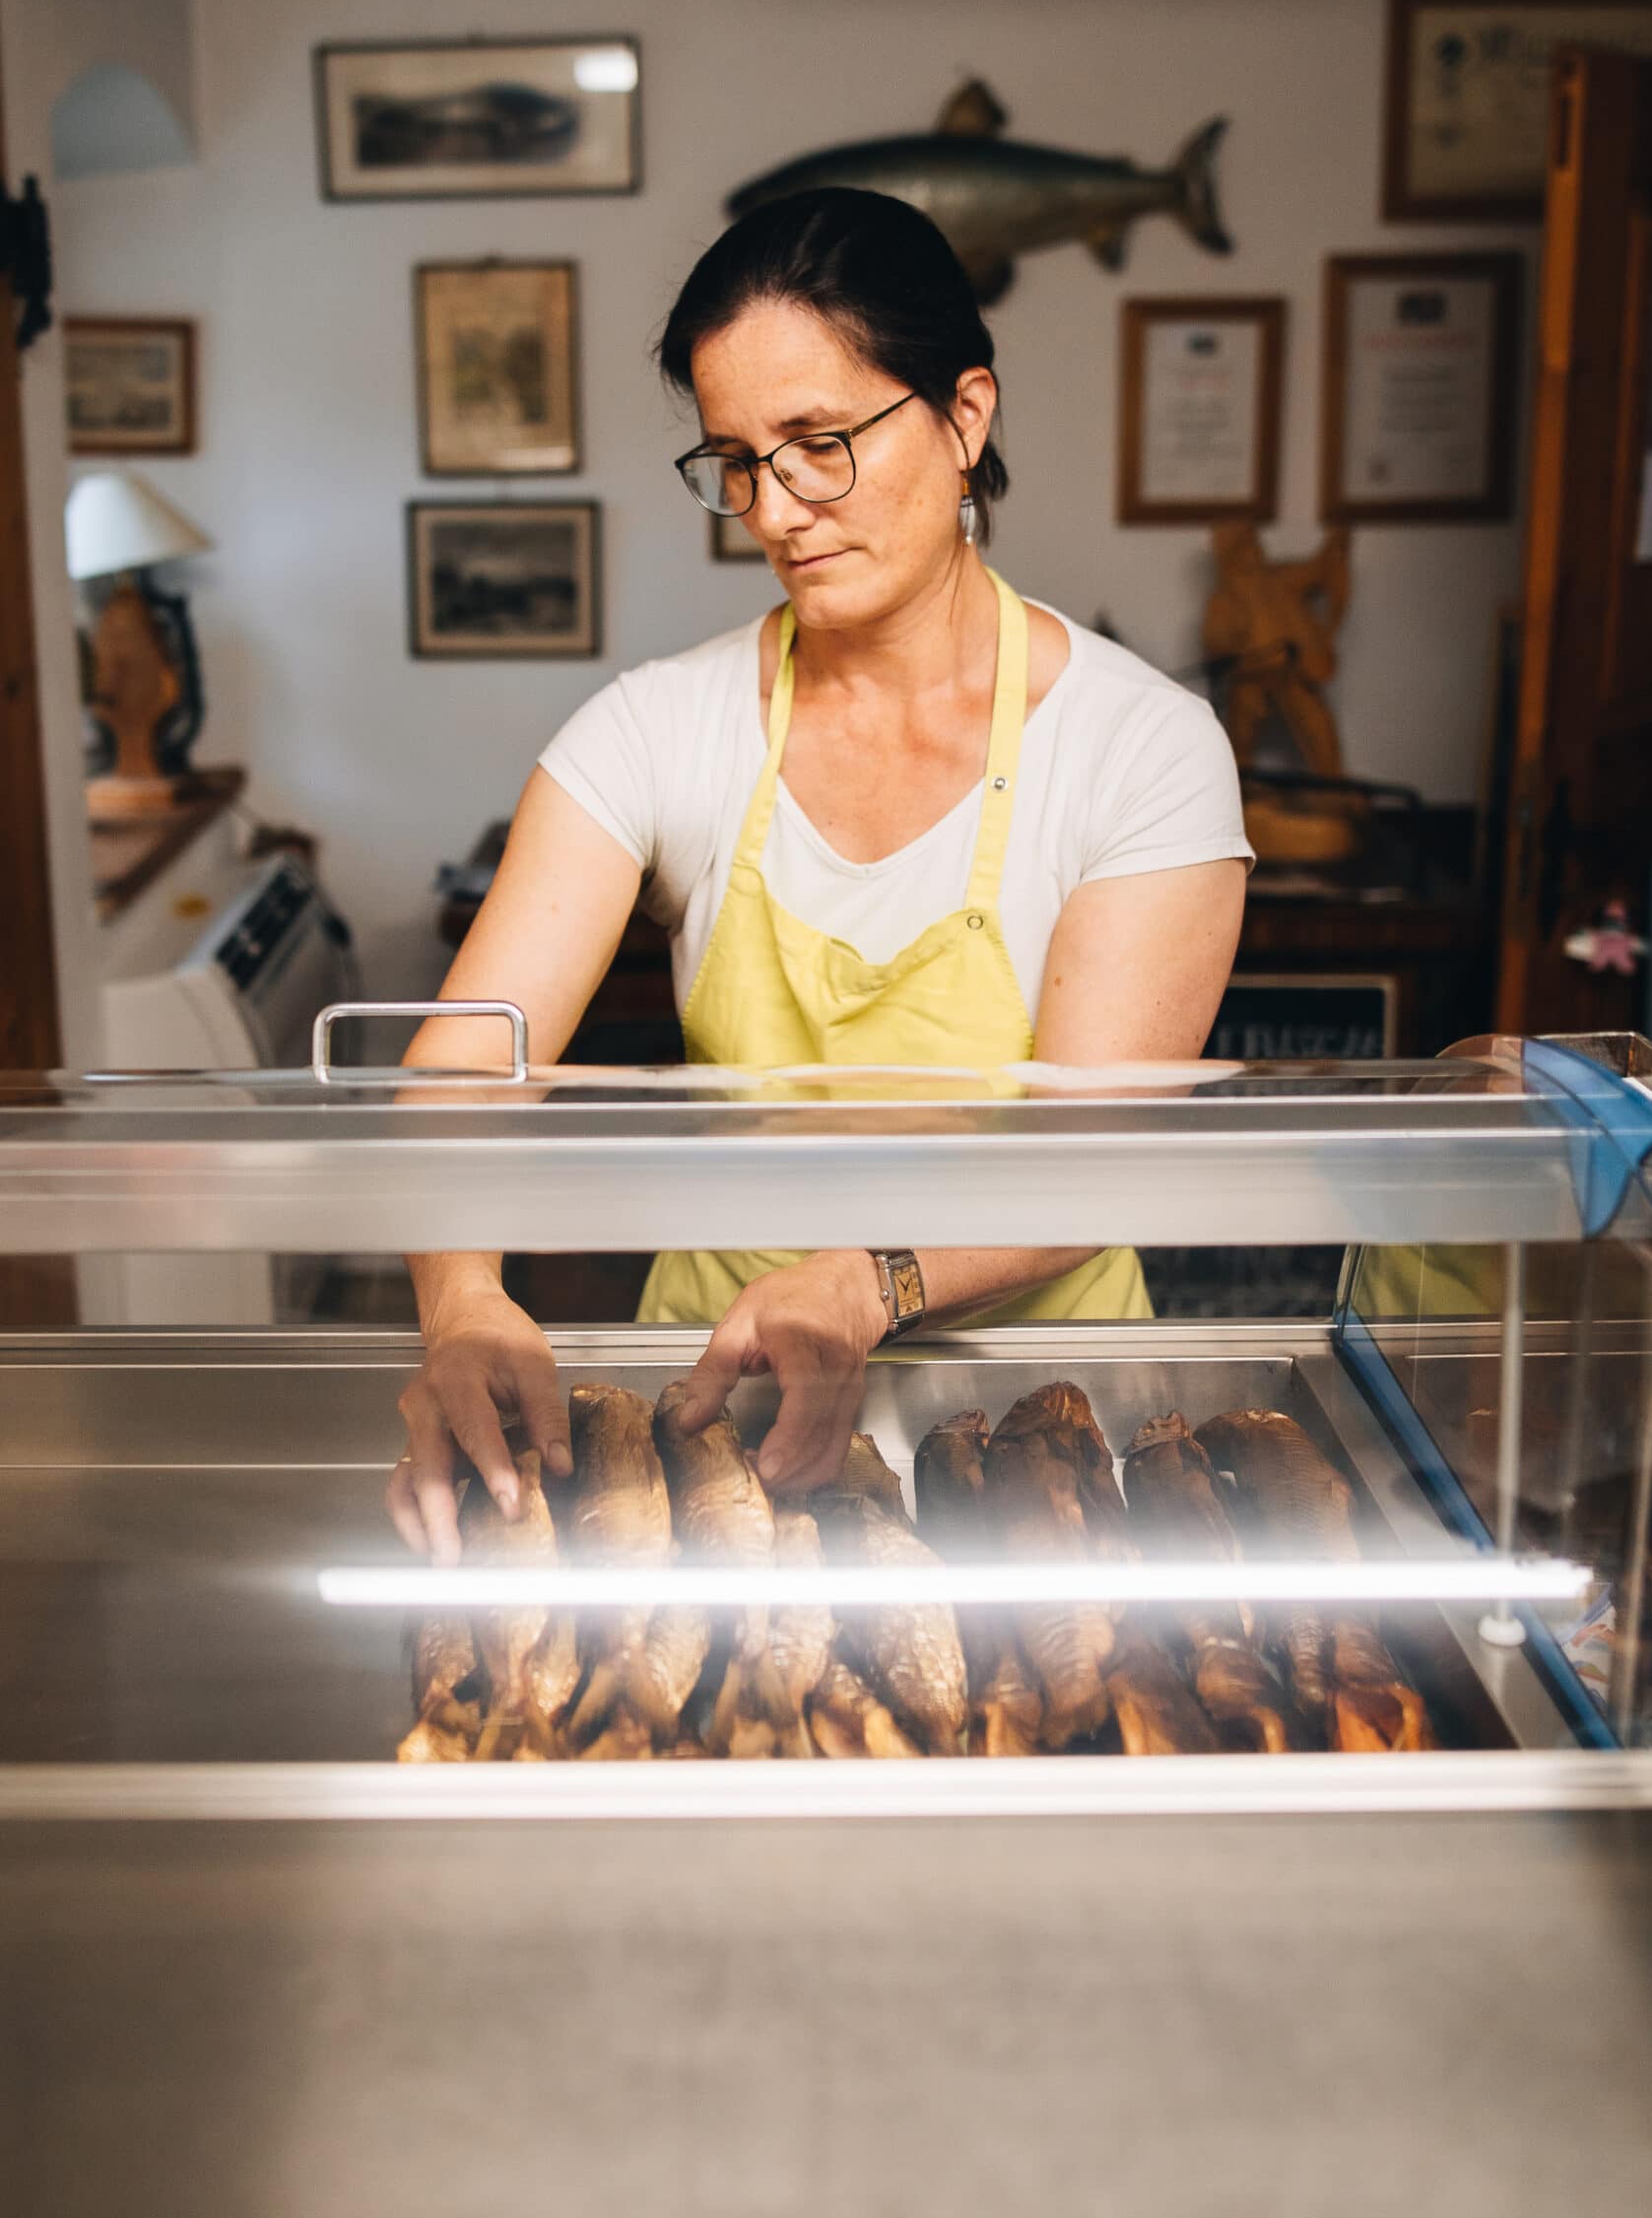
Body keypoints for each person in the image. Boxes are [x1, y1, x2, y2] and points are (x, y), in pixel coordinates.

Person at [388, 188, 1250, 1563]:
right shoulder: (656, 728)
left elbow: (1101, 1154)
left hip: (1043, 1424)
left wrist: (871, 1284)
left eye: (822, 444)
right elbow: (457, 1070)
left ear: (966, 417)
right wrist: (462, 1306)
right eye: (736, 460)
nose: (777, 510)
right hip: (719, 1408)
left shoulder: (1143, 748)